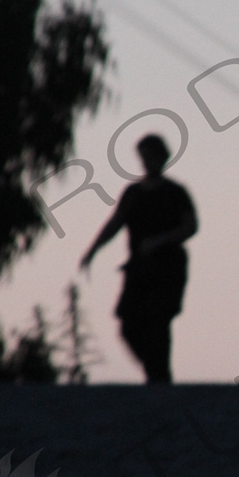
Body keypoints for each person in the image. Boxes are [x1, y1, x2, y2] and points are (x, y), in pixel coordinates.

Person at [79, 134, 197, 384]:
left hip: (168, 268)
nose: (147, 162)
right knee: (128, 324)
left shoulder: (175, 192)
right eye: (143, 157)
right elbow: (115, 223)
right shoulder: (133, 192)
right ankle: (157, 373)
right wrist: (92, 251)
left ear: (162, 158)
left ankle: (159, 378)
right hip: (139, 268)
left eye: (152, 156)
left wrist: (161, 240)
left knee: (158, 323)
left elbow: (191, 226)